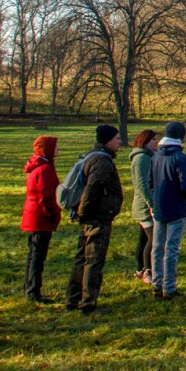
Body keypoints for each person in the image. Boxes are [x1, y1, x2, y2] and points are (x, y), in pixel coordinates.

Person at [66, 123, 123, 314]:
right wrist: (86, 211)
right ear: (107, 141)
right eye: (117, 139)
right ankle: (88, 303)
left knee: (82, 257)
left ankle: (73, 298)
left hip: (89, 215)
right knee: (93, 259)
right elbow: (94, 188)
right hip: (96, 217)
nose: (120, 142)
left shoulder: (91, 157)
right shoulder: (102, 162)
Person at [149, 121, 186, 300]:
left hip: (160, 207)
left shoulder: (155, 156)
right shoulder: (181, 158)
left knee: (157, 248)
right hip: (176, 207)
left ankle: (156, 284)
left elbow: (150, 182)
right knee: (172, 248)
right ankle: (169, 288)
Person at [21, 134, 61, 302]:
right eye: (55, 147)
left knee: (33, 254)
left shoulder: (38, 166)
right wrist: (53, 215)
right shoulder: (45, 170)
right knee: (38, 256)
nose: (58, 150)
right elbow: (46, 196)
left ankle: (29, 287)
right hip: (40, 217)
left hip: (33, 215)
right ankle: (33, 291)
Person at [130, 129, 157, 284]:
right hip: (144, 206)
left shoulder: (145, 156)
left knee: (143, 238)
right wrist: (151, 204)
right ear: (145, 142)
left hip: (144, 204)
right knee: (152, 239)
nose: (156, 142)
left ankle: (140, 269)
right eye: (153, 140)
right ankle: (148, 271)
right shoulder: (142, 158)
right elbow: (142, 185)